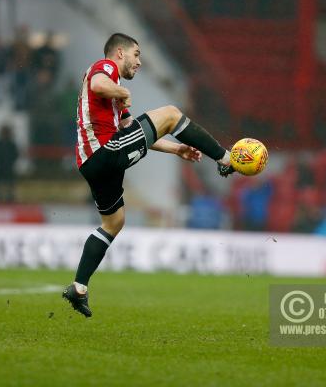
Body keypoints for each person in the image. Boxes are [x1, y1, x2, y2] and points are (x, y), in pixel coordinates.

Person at [62, 33, 235, 317]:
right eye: (137, 54)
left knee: (113, 222)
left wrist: (176, 149)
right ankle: (225, 158)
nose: (139, 62)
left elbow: (134, 134)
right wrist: (121, 92)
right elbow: (97, 83)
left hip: (92, 162)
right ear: (120, 53)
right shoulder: (104, 68)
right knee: (169, 113)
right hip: (104, 152)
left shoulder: (115, 98)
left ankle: (78, 287)